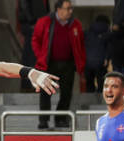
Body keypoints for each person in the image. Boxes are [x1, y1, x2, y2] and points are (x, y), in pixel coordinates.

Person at [32, 0, 85, 129]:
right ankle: (43, 121)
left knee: (66, 93)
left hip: (68, 64)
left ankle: (60, 119)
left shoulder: (75, 24)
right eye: (68, 8)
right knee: (45, 93)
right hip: (48, 64)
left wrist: (81, 65)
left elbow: (81, 46)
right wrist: (40, 56)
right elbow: (35, 40)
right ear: (58, 9)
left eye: (71, 8)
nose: (70, 11)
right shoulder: (44, 22)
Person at [84, 14, 111, 93]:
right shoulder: (108, 33)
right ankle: (100, 103)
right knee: (101, 84)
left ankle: (89, 102)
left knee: (89, 84)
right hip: (101, 62)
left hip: (87, 62)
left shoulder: (87, 32)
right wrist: (107, 58)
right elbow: (109, 48)